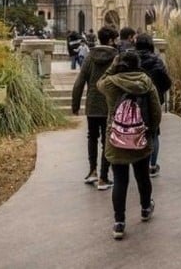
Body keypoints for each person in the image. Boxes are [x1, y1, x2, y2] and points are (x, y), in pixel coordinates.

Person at [97, 50, 162, 240]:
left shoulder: (111, 83)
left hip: (117, 139)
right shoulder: (146, 82)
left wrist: (112, 66)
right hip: (140, 139)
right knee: (142, 177)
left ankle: (119, 222)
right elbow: (156, 112)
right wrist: (149, 131)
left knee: (120, 180)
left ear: (120, 64)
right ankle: (145, 208)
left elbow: (98, 82)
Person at [71, 26, 119, 191]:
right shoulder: (116, 58)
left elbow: (79, 82)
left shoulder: (90, 57)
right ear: (111, 40)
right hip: (110, 105)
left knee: (92, 137)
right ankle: (104, 177)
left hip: (92, 105)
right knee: (107, 140)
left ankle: (92, 171)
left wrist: (75, 105)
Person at [134, 33, 171, 177]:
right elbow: (167, 81)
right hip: (153, 101)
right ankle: (152, 165)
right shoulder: (157, 61)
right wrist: (158, 92)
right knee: (154, 132)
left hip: (134, 100)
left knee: (135, 129)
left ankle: (138, 162)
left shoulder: (131, 60)